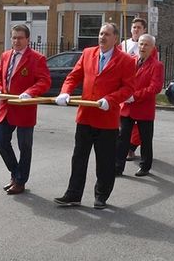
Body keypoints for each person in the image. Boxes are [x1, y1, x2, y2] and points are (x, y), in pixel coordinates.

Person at [53, 23, 135, 209]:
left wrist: (111, 99)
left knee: (104, 161)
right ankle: (73, 194)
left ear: (115, 38)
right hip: (85, 116)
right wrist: (65, 92)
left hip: (107, 119)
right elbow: (73, 76)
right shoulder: (88, 53)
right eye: (100, 33)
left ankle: (101, 196)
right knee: (79, 158)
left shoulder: (126, 61)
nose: (102, 37)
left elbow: (129, 88)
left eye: (106, 34)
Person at [0, 24, 51, 195]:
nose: (16, 41)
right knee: (1, 141)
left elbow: (44, 81)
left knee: (25, 146)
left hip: (24, 108)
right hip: (6, 106)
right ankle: (16, 174)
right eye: (14, 37)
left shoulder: (36, 58)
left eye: (20, 38)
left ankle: (20, 181)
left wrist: (30, 92)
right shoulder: (5, 56)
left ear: (27, 39)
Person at [115, 34, 164, 177]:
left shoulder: (157, 65)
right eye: (141, 44)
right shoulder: (131, 61)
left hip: (144, 108)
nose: (142, 47)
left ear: (152, 48)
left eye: (146, 44)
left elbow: (155, 87)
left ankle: (145, 166)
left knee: (145, 139)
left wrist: (134, 96)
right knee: (122, 138)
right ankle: (118, 166)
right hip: (127, 108)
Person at [120, 17, 148, 160]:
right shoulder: (124, 44)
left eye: (139, 27)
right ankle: (123, 149)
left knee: (138, 124)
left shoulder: (147, 45)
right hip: (125, 87)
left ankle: (131, 147)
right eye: (134, 27)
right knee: (124, 122)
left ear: (144, 30)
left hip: (140, 88)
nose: (136, 30)